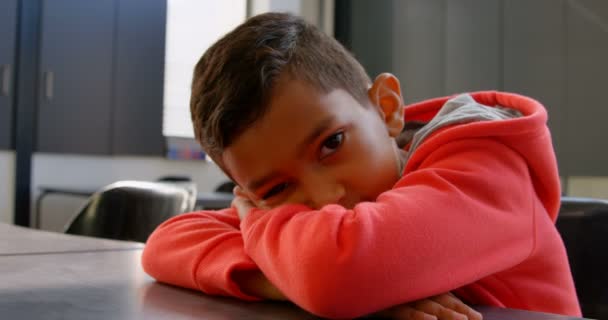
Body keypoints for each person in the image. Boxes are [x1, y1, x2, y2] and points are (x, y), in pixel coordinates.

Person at [142, 12, 581, 319]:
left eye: (332, 144)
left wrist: (259, 221)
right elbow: (165, 245)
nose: (325, 196)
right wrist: (291, 284)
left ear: (387, 107)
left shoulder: (487, 162)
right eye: (276, 190)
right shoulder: (305, 221)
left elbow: (337, 274)